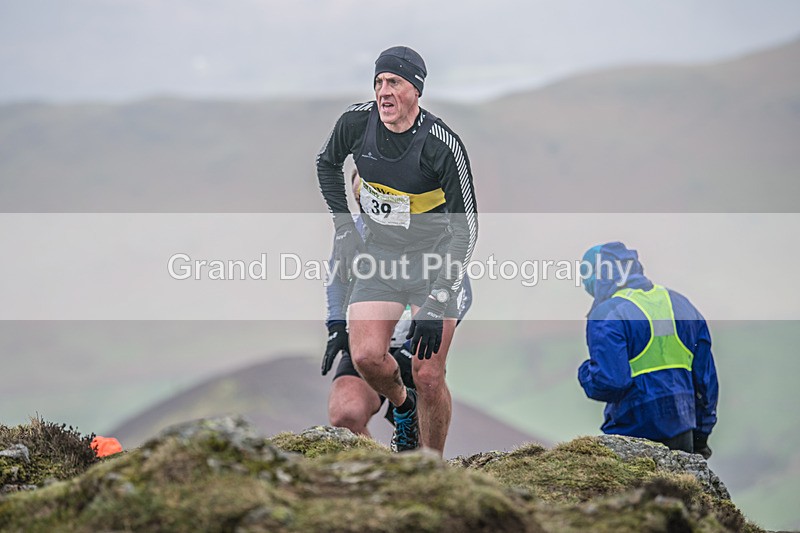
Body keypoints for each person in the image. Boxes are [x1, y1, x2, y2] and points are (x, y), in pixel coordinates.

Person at [316, 46, 478, 454]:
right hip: (382, 260)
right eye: (378, 82)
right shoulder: (356, 122)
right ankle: (403, 410)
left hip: (435, 261)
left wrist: (439, 298)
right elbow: (326, 164)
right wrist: (343, 229)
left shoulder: (441, 145)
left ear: (416, 90)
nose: (383, 91)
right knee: (368, 355)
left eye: (394, 82)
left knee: (428, 375)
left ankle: (432, 466)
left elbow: (467, 231)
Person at [321, 172, 473, 440]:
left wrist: (412, 345)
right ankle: (381, 472)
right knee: (346, 416)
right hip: (370, 336)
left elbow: (462, 296)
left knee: (427, 381)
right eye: (361, 200)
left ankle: (429, 466)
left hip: (417, 341)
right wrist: (336, 326)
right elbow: (337, 279)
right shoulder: (353, 232)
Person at [577, 242, 719, 458]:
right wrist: (700, 437)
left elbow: (610, 383)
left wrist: (585, 373)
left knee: (630, 493)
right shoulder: (681, 305)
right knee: (677, 491)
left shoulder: (608, 313)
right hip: (683, 430)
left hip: (631, 432)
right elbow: (706, 383)